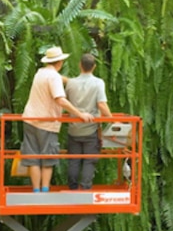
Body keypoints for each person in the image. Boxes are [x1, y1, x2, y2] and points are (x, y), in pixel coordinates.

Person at [21, 46, 93, 193]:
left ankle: (36, 191)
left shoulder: (41, 72)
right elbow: (60, 99)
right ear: (60, 62)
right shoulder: (53, 77)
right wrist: (80, 114)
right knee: (48, 158)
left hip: (30, 119)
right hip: (46, 123)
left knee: (33, 157)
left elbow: (61, 79)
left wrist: (74, 82)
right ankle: (45, 190)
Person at [65, 53, 113, 190]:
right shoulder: (98, 83)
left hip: (73, 129)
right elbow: (102, 105)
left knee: (73, 160)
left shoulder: (70, 83)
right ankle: (85, 187)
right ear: (94, 67)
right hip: (91, 129)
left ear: (80, 65)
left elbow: (65, 103)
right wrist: (112, 119)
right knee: (89, 160)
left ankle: (72, 187)